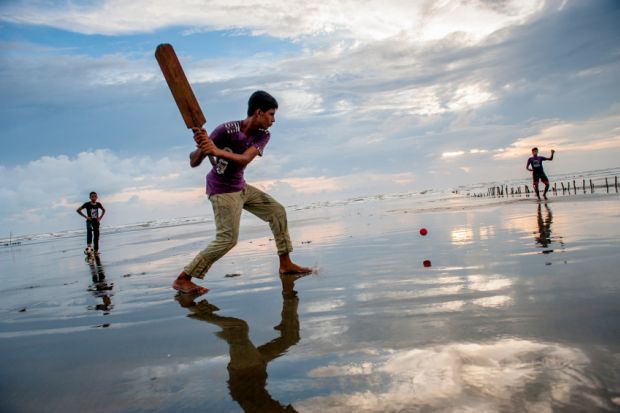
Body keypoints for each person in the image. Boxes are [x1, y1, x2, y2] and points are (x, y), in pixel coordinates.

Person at [173, 91, 311, 294]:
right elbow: (194, 161)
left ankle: (286, 264)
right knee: (227, 239)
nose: (273, 120)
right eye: (271, 114)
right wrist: (203, 147)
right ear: (258, 112)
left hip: (240, 186)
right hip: (222, 190)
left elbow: (245, 159)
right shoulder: (225, 130)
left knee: (277, 211)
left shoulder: (263, 135)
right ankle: (183, 278)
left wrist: (216, 151)